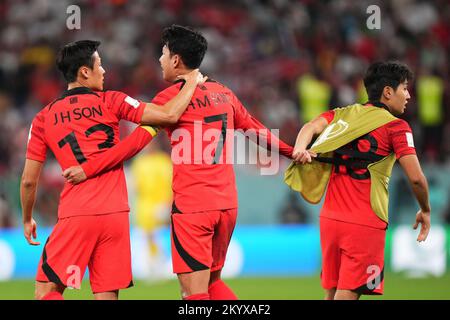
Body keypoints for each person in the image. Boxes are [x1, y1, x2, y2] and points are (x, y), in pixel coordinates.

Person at [62, 25, 294, 300]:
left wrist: (88, 169)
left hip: (193, 208)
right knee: (211, 283)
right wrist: (294, 153)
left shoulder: (168, 100)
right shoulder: (224, 94)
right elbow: (256, 130)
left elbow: (133, 144)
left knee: (193, 294)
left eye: (163, 53)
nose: (159, 60)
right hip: (227, 205)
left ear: (175, 59)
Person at [21, 39, 205, 300]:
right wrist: (190, 82)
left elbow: (29, 181)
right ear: (85, 71)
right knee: (106, 295)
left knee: (47, 290)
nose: (104, 70)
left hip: (77, 214)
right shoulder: (112, 101)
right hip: (116, 216)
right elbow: (168, 115)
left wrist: (27, 218)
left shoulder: (43, 118)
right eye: (100, 64)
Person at [286, 61, 431, 300]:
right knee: (348, 295)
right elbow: (416, 179)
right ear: (387, 92)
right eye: (404, 88)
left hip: (330, 219)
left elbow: (310, 127)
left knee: (331, 294)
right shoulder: (397, 127)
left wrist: (300, 149)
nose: (408, 95)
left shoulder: (342, 115)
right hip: (365, 222)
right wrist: (425, 209)